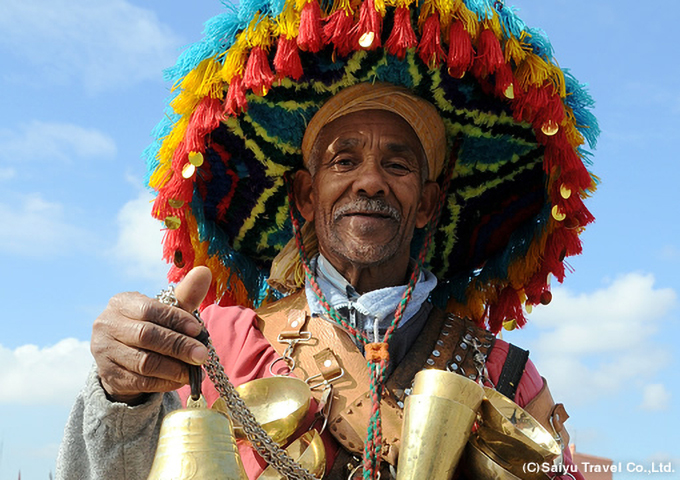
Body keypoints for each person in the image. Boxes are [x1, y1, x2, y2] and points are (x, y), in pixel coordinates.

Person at [56, 0, 599, 479]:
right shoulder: (214, 344)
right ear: (305, 197)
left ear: (428, 205)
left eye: (398, 164)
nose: (369, 181)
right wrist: (119, 393)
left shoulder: (503, 373)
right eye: (344, 161)